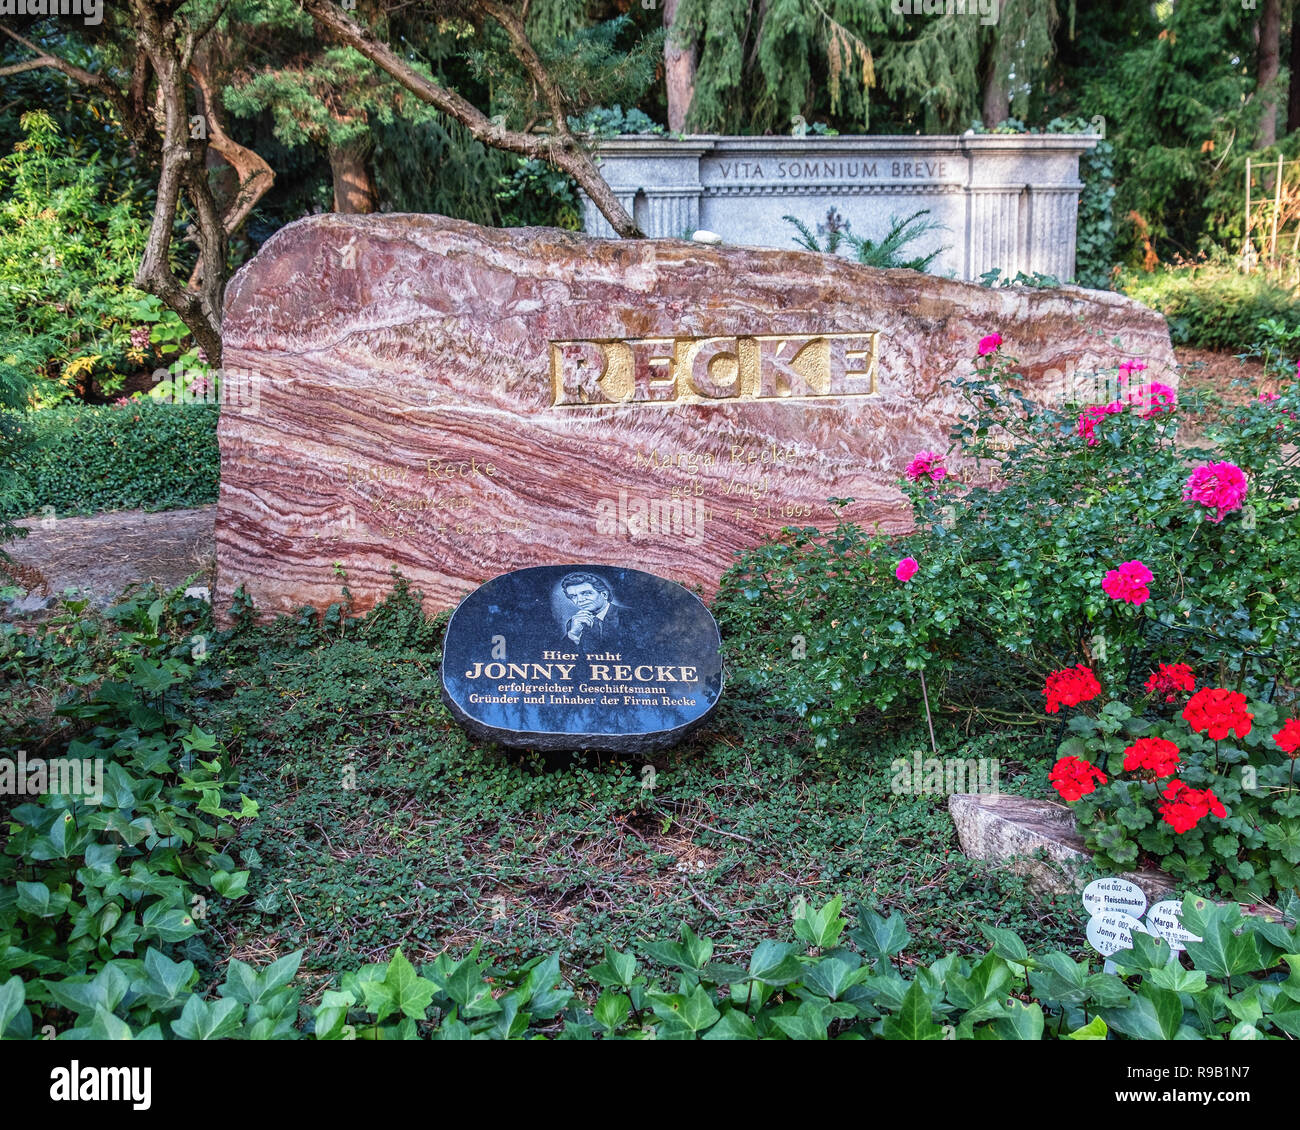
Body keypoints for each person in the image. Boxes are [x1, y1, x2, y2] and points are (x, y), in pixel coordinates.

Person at [559, 572, 620, 647]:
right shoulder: (573, 623)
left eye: (586, 593)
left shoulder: (630, 616)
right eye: (573, 596)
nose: (580, 600)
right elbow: (563, 654)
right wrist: (574, 634)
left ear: (604, 595)